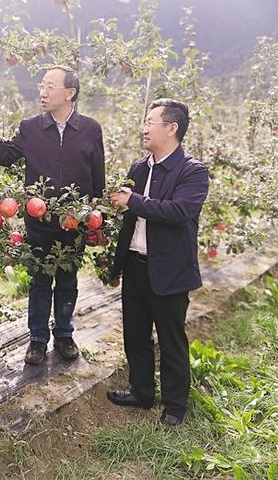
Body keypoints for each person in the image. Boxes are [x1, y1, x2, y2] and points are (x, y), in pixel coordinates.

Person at [0, 66, 105, 365]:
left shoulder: (90, 129)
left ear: (69, 93)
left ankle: (64, 334)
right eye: (41, 86)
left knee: (68, 280)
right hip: (39, 223)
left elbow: (98, 177)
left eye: (49, 87)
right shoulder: (31, 128)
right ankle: (37, 338)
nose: (42, 92)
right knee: (40, 280)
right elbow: (5, 156)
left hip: (74, 222)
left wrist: (97, 219)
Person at [106, 98, 208, 426]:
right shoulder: (139, 168)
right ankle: (142, 392)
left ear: (172, 128)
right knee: (135, 335)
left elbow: (179, 211)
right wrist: (115, 264)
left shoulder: (192, 171)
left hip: (170, 269)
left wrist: (133, 200)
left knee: (170, 338)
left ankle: (175, 406)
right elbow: (127, 218)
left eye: (151, 122)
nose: (144, 128)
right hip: (136, 265)